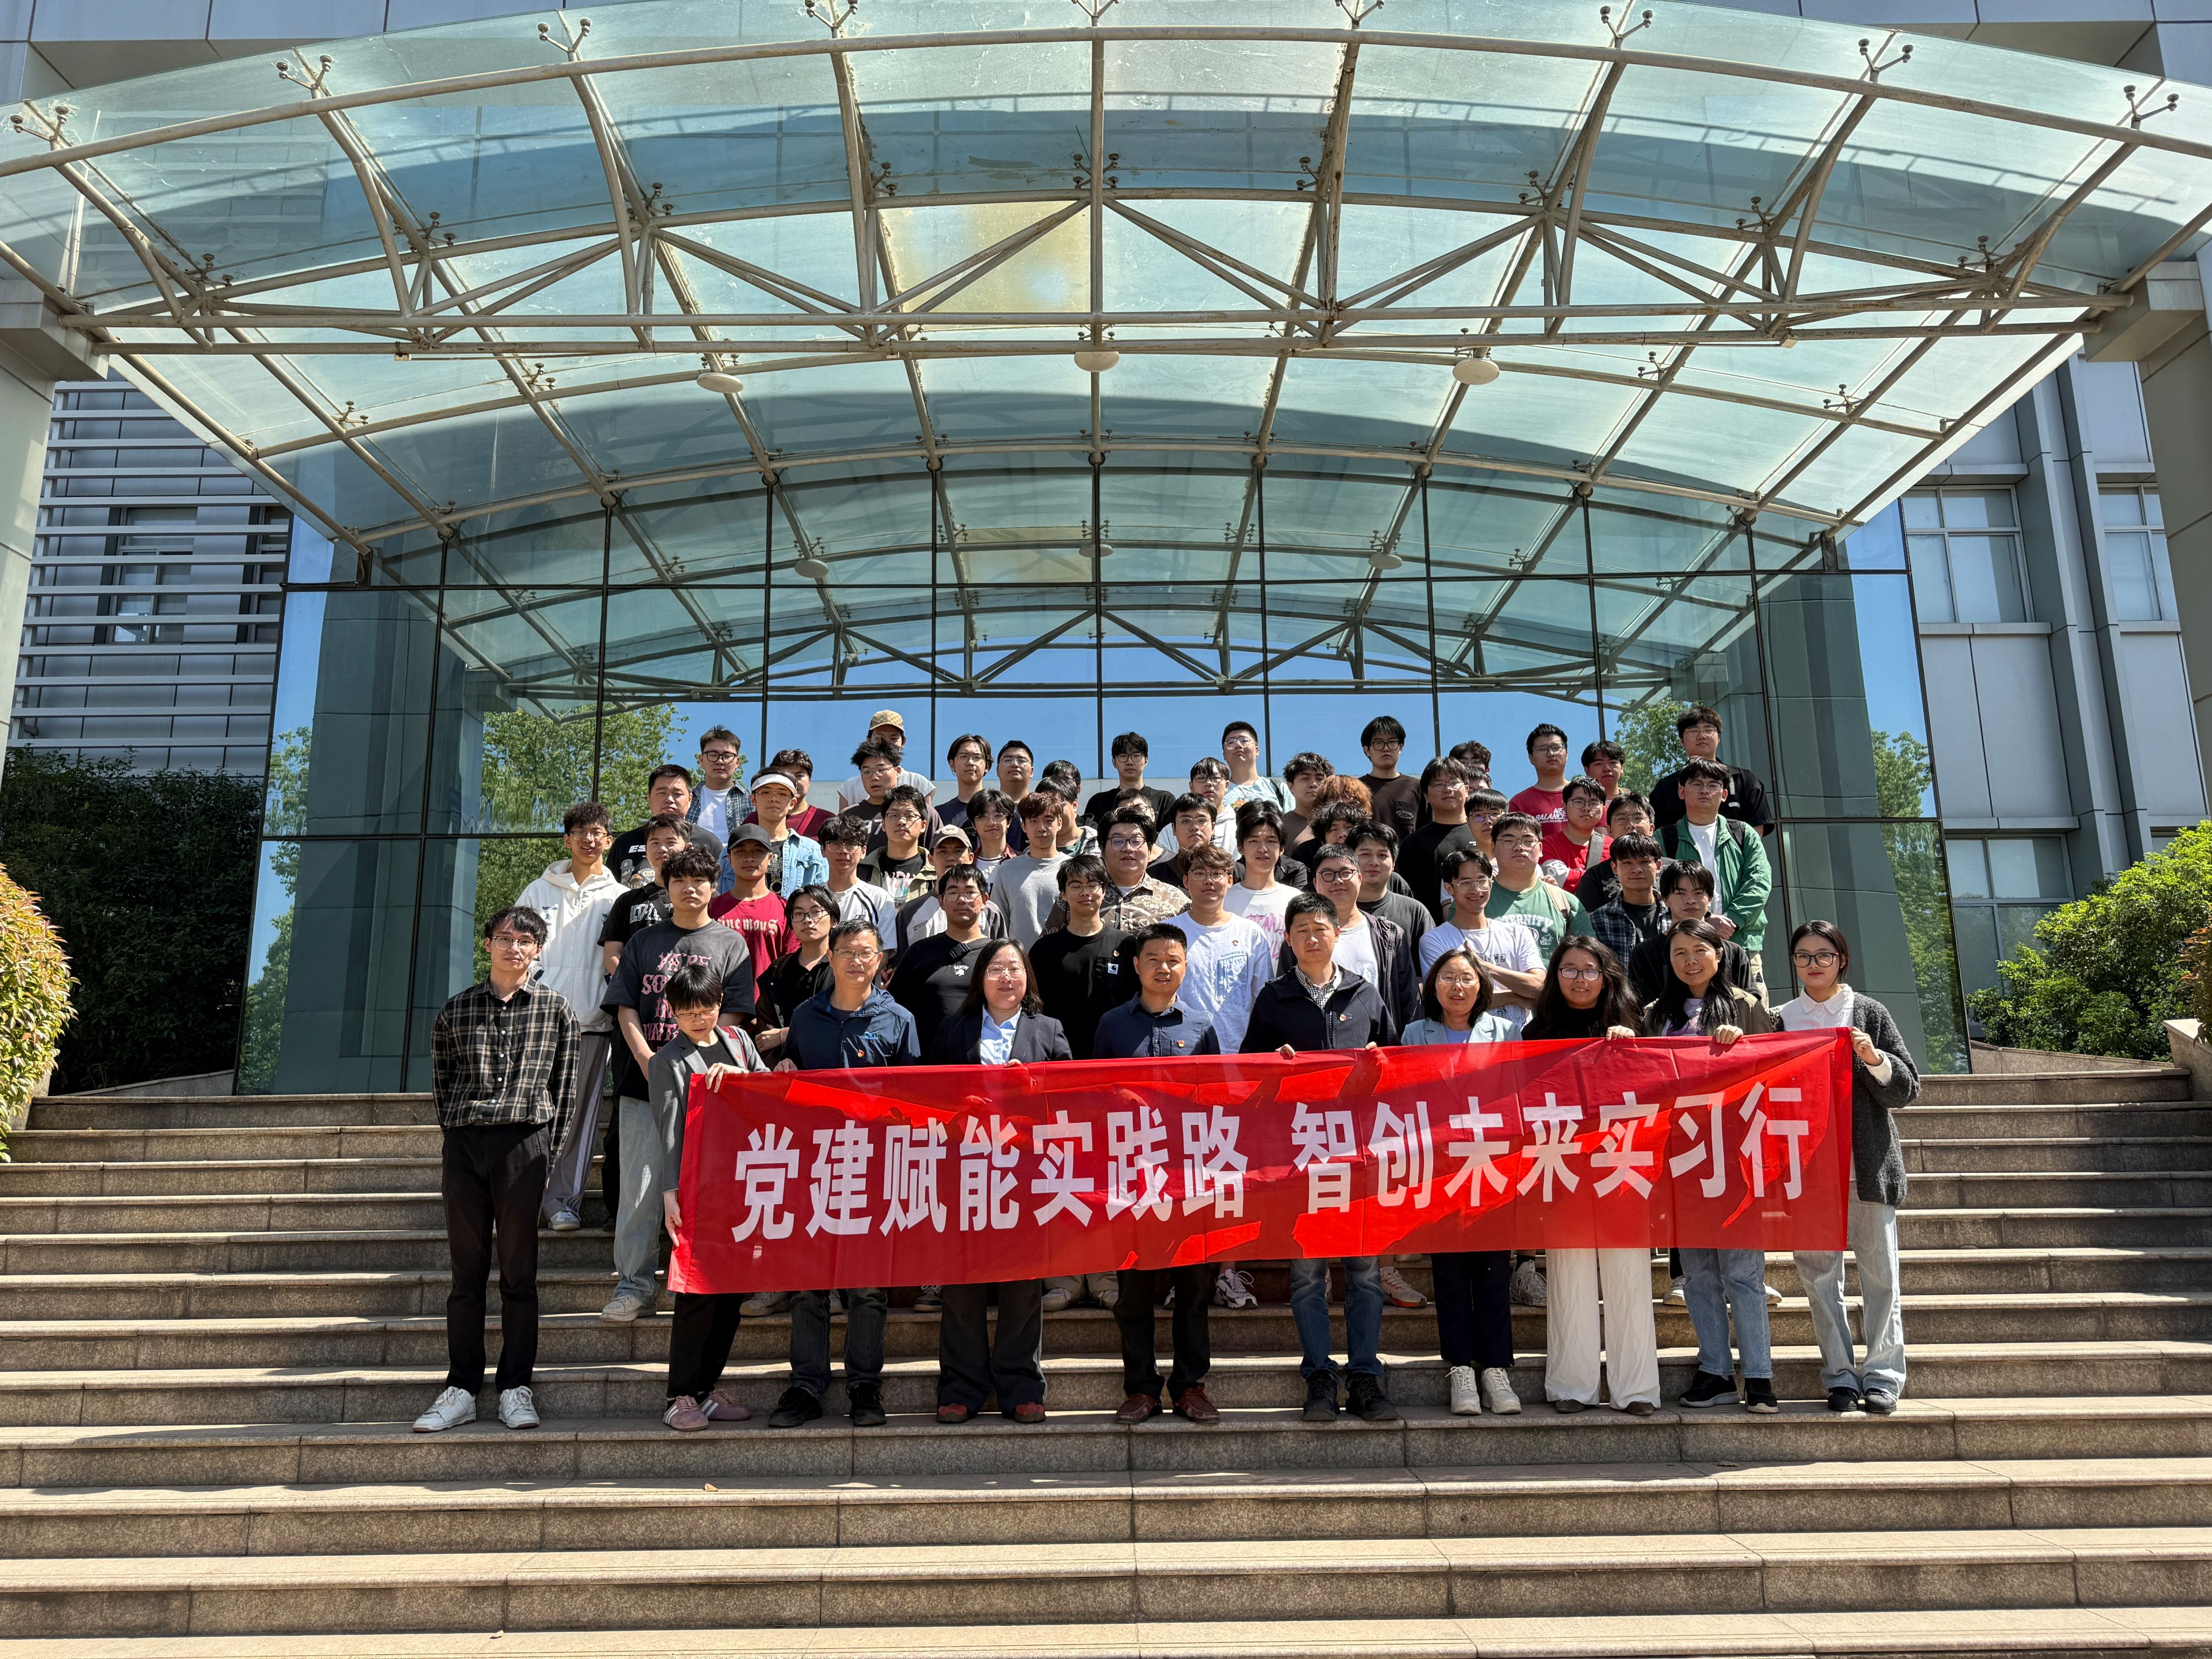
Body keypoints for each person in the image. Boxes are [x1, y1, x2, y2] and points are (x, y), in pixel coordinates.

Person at [414, 906, 577, 1434]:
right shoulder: (456, 1010)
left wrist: (548, 1154)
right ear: (488, 944)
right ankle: (461, 1388)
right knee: (466, 1274)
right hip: (465, 1143)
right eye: (505, 938)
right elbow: (443, 1083)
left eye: (525, 941)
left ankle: (515, 1387)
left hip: (524, 1144)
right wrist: (457, 1135)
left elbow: (566, 1090)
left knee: (518, 1272)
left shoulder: (556, 1010)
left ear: (538, 950)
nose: (514, 948)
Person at [1242, 892, 1399, 1424]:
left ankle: (1365, 1376)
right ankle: (1319, 1377)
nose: (1312, 937)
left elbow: (1397, 1070)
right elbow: (1248, 1077)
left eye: (1320, 928)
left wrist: (1379, 1065)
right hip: (1300, 1156)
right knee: (1308, 1275)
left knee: (1365, 1273)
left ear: (1337, 933)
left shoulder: (1365, 993)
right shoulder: (1274, 999)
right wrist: (1273, 1065)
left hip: (1359, 1156)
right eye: (1302, 930)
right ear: (1288, 940)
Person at [766, 919, 919, 1426]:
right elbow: (791, 1079)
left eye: (866, 953)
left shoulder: (898, 1019)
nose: (857, 961)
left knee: (868, 1286)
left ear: (881, 962)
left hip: (875, 1169)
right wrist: (784, 1071)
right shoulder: (805, 1016)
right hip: (815, 1166)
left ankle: (864, 1385)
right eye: (847, 952)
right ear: (829, 956)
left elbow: (916, 1098)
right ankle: (806, 1385)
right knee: (808, 1283)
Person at [599, 846, 758, 1324]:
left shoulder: (731, 943)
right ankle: (633, 1286)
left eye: (700, 881)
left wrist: (699, 1059)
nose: (690, 889)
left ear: (714, 886)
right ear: (666, 887)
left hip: (713, 1091)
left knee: (706, 1190)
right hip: (643, 1083)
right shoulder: (644, 941)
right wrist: (648, 1059)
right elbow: (626, 1006)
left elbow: (734, 1014)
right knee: (641, 1189)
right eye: (679, 881)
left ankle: (690, 1281)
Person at [1779, 921, 1920, 1415]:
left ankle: (1883, 1376)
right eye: (1803, 956)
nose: (1813, 964)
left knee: (1881, 1275)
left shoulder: (1868, 1013)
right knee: (1819, 1278)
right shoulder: (1782, 1020)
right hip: (1807, 1167)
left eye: (1823, 955)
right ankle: (1839, 1374)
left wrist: (1874, 1058)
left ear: (1841, 959)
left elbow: (1906, 1089)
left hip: (1866, 1164)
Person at [926, 938, 1067, 1425]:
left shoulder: (1049, 1030)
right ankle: (960, 1388)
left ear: (1028, 978)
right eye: (996, 969)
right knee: (962, 1283)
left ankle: (1021, 1386)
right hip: (964, 1169)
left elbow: (1073, 1101)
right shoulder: (953, 1028)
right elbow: (927, 1097)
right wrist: (958, 1106)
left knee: (1023, 1285)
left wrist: (1034, 1088)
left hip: (1026, 1173)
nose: (1007, 977)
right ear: (980, 979)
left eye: (1015, 968)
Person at [1091, 924, 1227, 1425]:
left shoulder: (1201, 1027)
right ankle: (1142, 1388)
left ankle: (1190, 1386)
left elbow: (1216, 1103)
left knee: (1193, 1289)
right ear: (1136, 965)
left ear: (1185, 967)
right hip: (1130, 1178)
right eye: (1153, 959)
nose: (1163, 968)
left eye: (1173, 960)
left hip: (1187, 1179)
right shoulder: (1111, 1025)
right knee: (1133, 1293)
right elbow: (1095, 1097)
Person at [1644, 917, 1781, 1412]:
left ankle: (1759, 1376)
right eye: (1679, 952)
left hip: (1734, 1154)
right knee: (1698, 1274)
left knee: (1743, 1272)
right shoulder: (1655, 1014)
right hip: (1680, 1158)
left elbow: (1776, 1071)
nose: (1690, 961)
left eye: (1699, 950)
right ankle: (1716, 1371)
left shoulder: (1746, 1006)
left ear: (1719, 956)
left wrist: (1744, 1043)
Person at [1523, 937, 1658, 1418]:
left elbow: (1659, 1088)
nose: (1580, 979)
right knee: (1569, 1277)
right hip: (1564, 1165)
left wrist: (1630, 1049)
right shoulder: (1537, 1032)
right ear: (1555, 976)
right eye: (1569, 969)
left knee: (1629, 1277)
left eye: (1590, 970)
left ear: (1608, 976)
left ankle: (1636, 1389)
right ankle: (1572, 1386)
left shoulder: (1635, 1025)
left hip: (1622, 1164)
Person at [1403, 946, 1521, 1418]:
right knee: (1450, 1274)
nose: (1458, 986)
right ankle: (1460, 1370)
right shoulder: (1415, 1034)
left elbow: (1520, 1095)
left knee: (1493, 1272)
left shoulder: (1506, 1032)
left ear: (1481, 986)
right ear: (1433, 986)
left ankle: (1496, 1368)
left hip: (1491, 1166)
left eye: (1467, 978)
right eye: (1448, 977)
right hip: (1440, 1170)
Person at [650, 961, 766, 1431]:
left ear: (721, 1003)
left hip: (747, 1182)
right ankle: (680, 1394)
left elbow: (771, 1092)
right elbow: (669, 1133)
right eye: (688, 1012)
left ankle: (706, 1389)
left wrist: (740, 1077)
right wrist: (670, 1192)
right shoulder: (667, 1061)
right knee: (697, 1292)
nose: (699, 1020)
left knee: (733, 1292)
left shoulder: (739, 1043)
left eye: (707, 1009)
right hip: (699, 1186)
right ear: (672, 1012)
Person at [517, 802, 622, 1233]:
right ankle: (522, 1196)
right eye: (580, 832)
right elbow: (516, 949)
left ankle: (563, 1202)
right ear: (567, 840)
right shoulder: (537, 892)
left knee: (578, 1118)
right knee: (530, 1114)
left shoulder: (618, 897)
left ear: (609, 842)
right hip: (538, 1023)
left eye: (597, 833)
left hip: (593, 1024)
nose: (589, 840)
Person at [1657, 758, 1773, 996]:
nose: (1705, 790)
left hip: (1741, 943)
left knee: (1751, 1011)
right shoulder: (1666, 838)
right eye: (1697, 784)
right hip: (1686, 948)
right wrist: (1706, 921)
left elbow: (1759, 881)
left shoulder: (1743, 833)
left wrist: (1731, 920)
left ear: (1724, 794)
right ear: (1682, 791)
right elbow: (1661, 889)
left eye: (1713, 785)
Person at [1288, 846, 1419, 1030]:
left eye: (1345, 873)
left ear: (1360, 878)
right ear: (1315, 883)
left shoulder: (1390, 935)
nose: (1337, 880)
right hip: (1315, 1040)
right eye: (1328, 874)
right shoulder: (1299, 936)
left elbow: (1410, 1000)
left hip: (1377, 1041)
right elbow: (1285, 996)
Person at [1416, 849, 1545, 1034]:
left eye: (1482, 881)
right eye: (1466, 883)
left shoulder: (1519, 934)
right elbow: (1449, 999)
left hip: (1521, 1038)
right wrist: (1515, 996)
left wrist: (1487, 968)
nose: (1476, 890)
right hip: (1466, 1040)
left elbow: (1540, 988)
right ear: (1449, 889)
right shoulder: (1434, 940)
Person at [1168, 844, 1272, 1053]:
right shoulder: (1168, 933)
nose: (1209, 881)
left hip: (1239, 1051)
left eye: (1217, 873)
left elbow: (1264, 999)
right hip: (1181, 1051)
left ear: (1230, 880)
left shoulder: (1251, 934)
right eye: (1199, 873)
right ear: (1186, 881)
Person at [1030, 855, 1134, 1060]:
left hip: (1115, 1056)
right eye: (1076, 886)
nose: (1085, 893)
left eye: (1093, 885)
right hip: (1058, 1057)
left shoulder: (1126, 945)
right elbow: (1033, 1008)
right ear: (1064, 893)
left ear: (1104, 891)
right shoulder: (1044, 950)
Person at [886, 863, 996, 1055]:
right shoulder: (918, 952)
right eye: (953, 893)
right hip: (927, 1061)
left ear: (985, 900)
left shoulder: (998, 954)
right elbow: (896, 1009)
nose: (961, 899)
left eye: (970, 892)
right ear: (941, 901)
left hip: (986, 1062)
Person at [1626, 860, 1756, 1009]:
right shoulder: (1645, 954)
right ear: (1665, 899)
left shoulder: (1734, 952)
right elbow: (1643, 1008)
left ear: (1710, 898)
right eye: (1680, 893)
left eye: (1699, 893)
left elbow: (1750, 1004)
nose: (1690, 901)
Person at [1042, 804, 1190, 934]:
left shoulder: (1176, 901)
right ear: (1102, 848)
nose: (1128, 848)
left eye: (1137, 841)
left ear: (1150, 849)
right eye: (1118, 841)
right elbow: (1048, 948)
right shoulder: (1077, 894)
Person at [1485, 811, 1595, 962]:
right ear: (1493, 848)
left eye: (1528, 841)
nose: (1519, 847)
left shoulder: (1566, 902)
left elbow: (1588, 958)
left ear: (1541, 849)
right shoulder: (1475, 898)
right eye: (1508, 841)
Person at [1651, 704, 1776, 835]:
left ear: (1719, 738)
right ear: (1682, 740)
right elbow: (1656, 833)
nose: (1702, 736)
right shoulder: (1665, 788)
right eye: (1693, 731)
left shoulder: (1744, 780)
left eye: (1708, 730)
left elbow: (1757, 829)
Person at [753, 884, 837, 1062]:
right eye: (799, 914)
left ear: (834, 920)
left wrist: (786, 1035)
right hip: (784, 1069)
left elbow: (846, 1025)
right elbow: (765, 1039)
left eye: (816, 912)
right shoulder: (777, 971)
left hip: (832, 1068)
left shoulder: (845, 968)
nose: (807, 920)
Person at [610, 765, 726, 890]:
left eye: (677, 794)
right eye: (662, 793)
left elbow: (721, 891)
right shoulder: (625, 843)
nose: (669, 799)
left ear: (690, 799)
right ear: (649, 797)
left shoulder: (709, 843)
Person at [706, 824, 788, 992]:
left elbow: (790, 965)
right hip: (718, 1003)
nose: (749, 858)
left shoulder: (786, 910)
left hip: (767, 1005)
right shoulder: (711, 908)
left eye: (758, 851)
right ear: (729, 858)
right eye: (741, 851)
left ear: (770, 858)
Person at [994, 791, 1073, 947]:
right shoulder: (1007, 870)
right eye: (1034, 821)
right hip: (1018, 959)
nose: (1041, 828)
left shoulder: (1073, 869)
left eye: (1048, 821)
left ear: (1059, 824)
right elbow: (998, 925)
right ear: (1024, 826)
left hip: (1064, 958)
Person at [1400, 757, 1475, 920]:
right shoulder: (1413, 844)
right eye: (1439, 784)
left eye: (1454, 783)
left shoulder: (1483, 835)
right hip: (1431, 929)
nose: (1448, 789)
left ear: (1467, 789)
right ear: (1426, 795)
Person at [1586, 833, 1668, 968]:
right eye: (1627, 863)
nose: (1637, 870)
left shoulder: (1675, 913)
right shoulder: (1599, 920)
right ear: (1615, 868)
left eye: (1644, 862)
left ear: (1658, 866)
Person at [1225, 801, 1299, 950]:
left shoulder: (1296, 899)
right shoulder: (1224, 901)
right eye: (1254, 841)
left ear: (1281, 849)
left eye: (1271, 841)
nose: (1263, 849)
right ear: (1241, 848)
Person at [1350, 821, 1433, 952]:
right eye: (1365, 854)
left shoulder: (1415, 912)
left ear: (1394, 863)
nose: (1374, 862)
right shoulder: (1334, 910)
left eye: (1383, 855)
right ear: (1349, 859)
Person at [745, 768, 828, 898]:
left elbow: (823, 901)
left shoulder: (812, 851)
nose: (774, 799)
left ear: (792, 803)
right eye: (766, 793)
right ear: (753, 800)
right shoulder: (735, 851)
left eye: (782, 794)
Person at [834, 709, 934, 808]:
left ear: (903, 742)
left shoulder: (919, 783)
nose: (886, 744)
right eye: (879, 738)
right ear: (868, 740)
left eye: (893, 738)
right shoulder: (849, 788)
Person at [819, 812, 896, 941]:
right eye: (835, 844)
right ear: (823, 850)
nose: (843, 851)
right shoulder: (811, 899)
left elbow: (885, 949)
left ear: (864, 851)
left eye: (851, 845)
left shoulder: (879, 899)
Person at [1574, 792, 1656, 911]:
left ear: (1652, 829)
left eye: (1638, 818)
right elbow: (1591, 920)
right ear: (1609, 830)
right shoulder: (1595, 877)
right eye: (1622, 819)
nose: (1630, 825)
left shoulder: (1670, 870)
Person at [1083, 732, 1176, 834]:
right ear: (1114, 762)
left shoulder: (1164, 800)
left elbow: (1170, 838)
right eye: (1123, 756)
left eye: (1136, 756)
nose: (1130, 762)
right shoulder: (1099, 802)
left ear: (1146, 761)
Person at [859, 784, 934, 907]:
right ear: (883, 824)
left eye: (910, 816)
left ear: (923, 826)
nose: (902, 822)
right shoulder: (861, 869)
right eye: (894, 815)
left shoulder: (936, 871)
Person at [746, 747, 832, 841]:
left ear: (809, 781)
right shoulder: (754, 820)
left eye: (799, 776)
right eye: (786, 776)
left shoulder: (826, 820)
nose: (793, 781)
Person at [1357, 715, 1421, 840]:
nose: (1386, 748)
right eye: (1379, 743)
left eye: (1392, 742)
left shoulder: (1417, 787)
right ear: (1367, 750)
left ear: (1400, 748)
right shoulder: (1356, 788)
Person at [1146, 793, 1224, 889]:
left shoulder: (1228, 871)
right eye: (1186, 821)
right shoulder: (1154, 876)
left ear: (1213, 827)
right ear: (1174, 829)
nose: (1194, 827)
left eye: (1202, 821)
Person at [1543, 776, 1609, 887]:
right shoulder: (1547, 846)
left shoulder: (1614, 848)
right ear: (1564, 806)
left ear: (1603, 809)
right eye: (1579, 802)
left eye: (1594, 803)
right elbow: (1559, 881)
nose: (1587, 808)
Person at [686, 725, 746, 844]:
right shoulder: (687, 800)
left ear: (738, 762)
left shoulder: (751, 800)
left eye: (727, 756)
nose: (720, 761)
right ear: (701, 760)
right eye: (713, 755)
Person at [1221, 719, 1293, 813]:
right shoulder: (1218, 791)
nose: (1238, 745)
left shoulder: (1278, 788)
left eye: (1244, 741)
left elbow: (1292, 821)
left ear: (1257, 750)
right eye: (1231, 742)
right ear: (1224, 755)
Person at [1509, 724, 1572, 827]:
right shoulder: (1519, 803)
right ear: (1531, 758)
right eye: (1543, 749)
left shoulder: (1586, 795)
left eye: (1557, 748)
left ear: (1567, 754)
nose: (1551, 754)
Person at [936, 732, 994, 831]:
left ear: (987, 766)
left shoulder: (1000, 809)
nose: (970, 762)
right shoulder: (940, 813)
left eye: (977, 757)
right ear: (952, 765)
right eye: (964, 757)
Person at [1280, 751, 1333, 845]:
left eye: (1320, 779)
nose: (1313, 784)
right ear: (1291, 786)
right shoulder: (1279, 826)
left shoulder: (1338, 824)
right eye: (1305, 778)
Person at [1186, 757, 1239, 849]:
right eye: (1201, 778)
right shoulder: (1175, 828)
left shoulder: (1238, 825)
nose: (1208, 783)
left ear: (1227, 786)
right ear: (1191, 786)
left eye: (1215, 778)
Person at [966, 789, 1017, 884]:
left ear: (1009, 821)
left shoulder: (1022, 862)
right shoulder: (966, 865)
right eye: (982, 817)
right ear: (973, 824)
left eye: (998, 816)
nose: (991, 823)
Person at [1581, 739, 1626, 804]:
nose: (1607, 769)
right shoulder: (1579, 804)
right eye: (1599, 764)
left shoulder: (1635, 803)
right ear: (1588, 771)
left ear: (1621, 768)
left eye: (1613, 762)